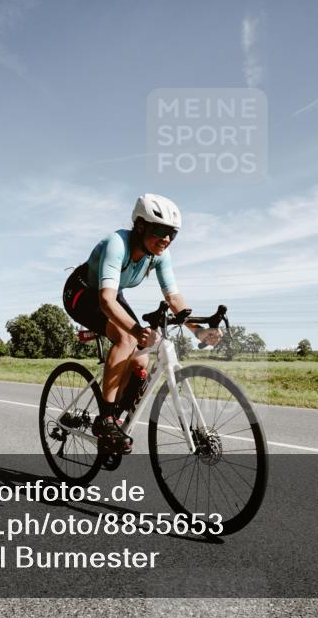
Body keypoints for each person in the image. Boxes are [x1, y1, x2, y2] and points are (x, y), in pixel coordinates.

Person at [62, 194, 221, 453]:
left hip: (114, 295)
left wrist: (199, 331)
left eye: (173, 234)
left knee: (141, 360)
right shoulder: (117, 244)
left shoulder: (159, 255)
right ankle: (107, 419)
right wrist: (136, 331)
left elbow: (172, 297)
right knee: (127, 338)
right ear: (140, 226)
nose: (167, 239)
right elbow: (105, 301)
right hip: (83, 294)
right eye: (161, 231)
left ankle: (119, 417)